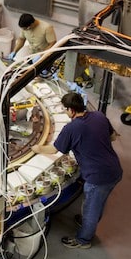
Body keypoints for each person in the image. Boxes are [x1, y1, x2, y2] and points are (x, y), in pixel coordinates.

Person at [32, 92, 122, 249]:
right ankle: (88, 223)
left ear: (71, 110)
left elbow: (54, 150)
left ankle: (83, 240)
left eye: (65, 110)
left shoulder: (72, 128)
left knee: (90, 209)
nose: (66, 113)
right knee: (98, 203)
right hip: (115, 169)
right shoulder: (99, 116)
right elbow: (113, 136)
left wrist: (37, 148)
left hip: (97, 177)